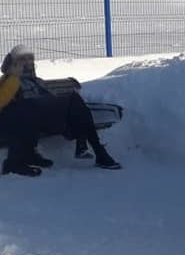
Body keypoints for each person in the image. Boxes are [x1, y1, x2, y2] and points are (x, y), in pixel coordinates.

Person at [0, 44, 121, 174]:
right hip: (13, 122)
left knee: (74, 100)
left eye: (30, 59)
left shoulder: (36, 81)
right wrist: (14, 78)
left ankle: (96, 150)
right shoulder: (7, 80)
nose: (28, 63)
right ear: (13, 63)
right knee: (28, 106)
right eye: (23, 60)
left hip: (37, 120)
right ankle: (15, 162)